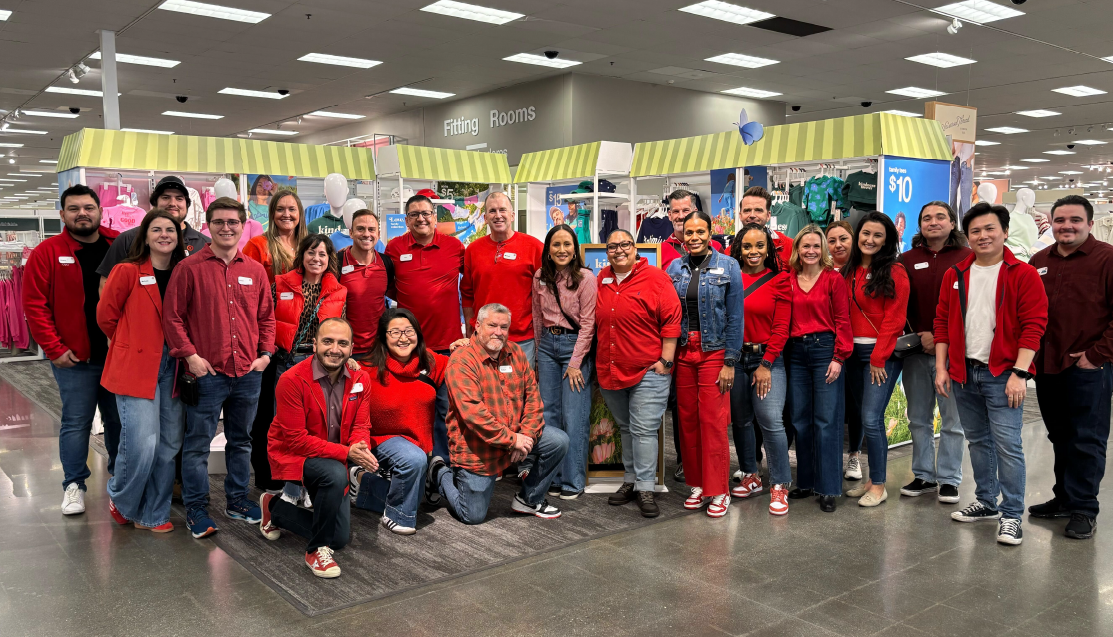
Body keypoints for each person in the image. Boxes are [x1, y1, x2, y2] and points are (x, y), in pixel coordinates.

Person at [934, 202, 1048, 546]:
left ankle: (1012, 513)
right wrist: (942, 367)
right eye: (976, 231)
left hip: (1003, 374)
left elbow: (1034, 327)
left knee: (1008, 445)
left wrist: (1019, 373)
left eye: (989, 229)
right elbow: (941, 323)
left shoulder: (1022, 274)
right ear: (967, 236)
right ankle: (986, 501)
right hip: (964, 373)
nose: (983, 236)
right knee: (979, 441)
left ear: (1004, 232)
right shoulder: (955, 274)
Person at [163, 197, 276, 539]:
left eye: (233, 222)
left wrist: (266, 355)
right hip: (206, 374)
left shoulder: (255, 270)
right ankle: (197, 508)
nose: (226, 228)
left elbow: (267, 318)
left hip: (248, 373)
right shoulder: (189, 268)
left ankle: (238, 500)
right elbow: (173, 317)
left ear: (243, 226)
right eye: (219, 222)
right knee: (197, 444)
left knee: (241, 441)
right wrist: (189, 356)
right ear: (207, 226)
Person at [23, 184, 122, 515]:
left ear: (100, 211)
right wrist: (53, 348)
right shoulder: (47, 252)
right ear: (63, 214)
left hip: (117, 358)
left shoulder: (118, 245)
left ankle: (120, 482)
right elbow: (35, 305)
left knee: (120, 421)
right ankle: (74, 485)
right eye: (75, 208)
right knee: (77, 421)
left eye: (89, 208)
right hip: (74, 358)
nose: (83, 213)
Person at [426, 303, 569, 524]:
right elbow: (474, 415)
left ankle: (528, 499)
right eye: (492, 325)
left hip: (515, 437)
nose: (498, 332)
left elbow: (533, 399)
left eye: (504, 327)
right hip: (477, 448)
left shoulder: (516, 353)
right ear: (478, 325)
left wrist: (527, 437)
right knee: (472, 515)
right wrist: (513, 441)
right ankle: (439, 472)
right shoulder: (462, 360)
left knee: (557, 441)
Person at [259, 318, 376, 578]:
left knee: (339, 538)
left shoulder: (360, 378)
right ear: (314, 344)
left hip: (334, 456)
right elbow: (295, 440)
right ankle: (315, 551)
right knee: (335, 474)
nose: (335, 349)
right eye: (328, 341)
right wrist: (347, 453)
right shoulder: (291, 379)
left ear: (351, 347)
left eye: (342, 343)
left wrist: (360, 447)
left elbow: (361, 425)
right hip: (296, 453)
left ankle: (275, 508)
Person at [1029, 195, 1113, 539]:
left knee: (1087, 438)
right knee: (1060, 435)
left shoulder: (1107, 259)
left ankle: (1083, 508)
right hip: (1048, 364)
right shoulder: (1038, 260)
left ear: (1090, 224)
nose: (1067, 226)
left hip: (1088, 367)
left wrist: (1096, 355)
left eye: (1075, 220)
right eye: (1060, 220)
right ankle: (1063, 497)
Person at [97, 209, 187, 531]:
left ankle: (154, 513)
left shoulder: (183, 272)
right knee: (142, 442)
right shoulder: (127, 271)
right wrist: (123, 339)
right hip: (136, 364)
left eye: (171, 230)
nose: (165, 234)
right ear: (145, 237)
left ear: (179, 237)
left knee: (168, 445)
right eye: (157, 229)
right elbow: (105, 316)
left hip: (173, 366)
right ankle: (122, 498)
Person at [596, 231, 681, 517]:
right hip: (611, 370)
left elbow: (671, 322)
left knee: (644, 430)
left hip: (648, 371)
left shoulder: (656, 279)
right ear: (606, 251)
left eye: (624, 245)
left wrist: (666, 363)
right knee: (626, 428)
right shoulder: (601, 279)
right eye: (612, 246)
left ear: (635, 248)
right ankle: (631, 481)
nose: (618, 250)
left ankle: (646, 487)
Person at [666, 211, 743, 518]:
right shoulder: (674, 267)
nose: (694, 237)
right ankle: (698, 484)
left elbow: (736, 317)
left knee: (713, 421)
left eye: (700, 231)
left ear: (711, 233)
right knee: (687, 421)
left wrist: (730, 361)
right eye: (689, 232)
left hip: (715, 351)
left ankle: (719, 489)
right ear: (682, 235)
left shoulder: (729, 266)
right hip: (685, 351)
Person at [349, 309, 448, 534]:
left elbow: (463, 364)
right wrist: (348, 363)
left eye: (409, 331)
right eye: (394, 332)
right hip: (379, 440)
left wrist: (463, 346)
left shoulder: (431, 362)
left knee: (416, 493)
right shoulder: (365, 368)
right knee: (412, 467)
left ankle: (362, 483)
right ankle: (398, 514)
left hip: (418, 448)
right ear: (383, 337)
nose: (403, 338)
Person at [385, 194, 464, 465]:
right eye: (414, 214)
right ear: (406, 220)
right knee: (411, 411)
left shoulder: (454, 247)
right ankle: (413, 464)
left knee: (445, 410)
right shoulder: (394, 249)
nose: (421, 218)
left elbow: (472, 285)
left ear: (435, 216)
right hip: (409, 347)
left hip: (447, 345)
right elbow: (389, 287)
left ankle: (440, 467)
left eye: (426, 213)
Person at [900, 201, 970, 504]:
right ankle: (924, 475)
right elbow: (898, 305)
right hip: (916, 351)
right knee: (918, 417)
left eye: (940, 216)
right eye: (926, 218)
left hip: (955, 353)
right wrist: (919, 336)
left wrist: (942, 338)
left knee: (953, 421)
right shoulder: (906, 259)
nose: (933, 222)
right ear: (920, 226)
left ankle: (950, 479)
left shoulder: (969, 258)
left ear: (952, 223)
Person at [270, 234, 348, 500]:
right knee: (289, 429)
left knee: (317, 428)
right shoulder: (280, 284)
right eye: (311, 253)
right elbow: (267, 321)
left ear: (329, 259)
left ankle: (311, 486)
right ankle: (290, 489)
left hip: (322, 366)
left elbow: (341, 329)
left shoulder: (339, 291)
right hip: (287, 363)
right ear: (302, 255)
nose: (316, 259)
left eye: (322, 254)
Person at [841, 212, 909, 507]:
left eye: (877, 235)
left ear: (887, 240)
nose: (870, 240)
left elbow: (895, 319)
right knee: (860, 415)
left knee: (871, 418)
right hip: (850, 354)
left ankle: (879, 485)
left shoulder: (895, 271)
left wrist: (879, 358)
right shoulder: (848, 270)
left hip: (880, 356)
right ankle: (870, 480)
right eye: (865, 233)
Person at [727, 223, 793, 515]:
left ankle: (779, 484)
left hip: (768, 359)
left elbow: (781, 328)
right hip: (735, 360)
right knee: (740, 421)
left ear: (769, 249)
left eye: (759, 246)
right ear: (738, 249)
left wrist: (766, 364)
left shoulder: (780, 280)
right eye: (747, 246)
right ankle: (750, 474)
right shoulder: (730, 278)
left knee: (770, 420)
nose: (753, 252)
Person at [786, 225, 852, 512]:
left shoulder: (833, 279)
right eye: (805, 246)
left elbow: (843, 321)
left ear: (823, 250)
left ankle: (828, 487)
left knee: (826, 420)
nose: (811, 251)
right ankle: (806, 481)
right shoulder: (788, 279)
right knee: (800, 419)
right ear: (797, 250)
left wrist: (839, 357)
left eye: (816, 246)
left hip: (826, 349)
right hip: (796, 352)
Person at [659, 189, 723, 480]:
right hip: (676, 344)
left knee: (710, 413)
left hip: (710, 344)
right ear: (669, 215)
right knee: (681, 409)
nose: (681, 216)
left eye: (686, 211)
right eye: (675, 212)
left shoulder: (721, 255)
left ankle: (713, 474)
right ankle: (686, 461)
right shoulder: (662, 254)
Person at [532, 224, 597, 499]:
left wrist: (575, 363)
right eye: (556, 245)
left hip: (575, 348)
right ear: (548, 250)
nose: (562, 250)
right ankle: (554, 477)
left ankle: (573, 481)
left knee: (575, 417)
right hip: (547, 346)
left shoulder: (585, 278)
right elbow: (537, 317)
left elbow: (588, 323)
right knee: (549, 416)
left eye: (567, 244)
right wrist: (537, 356)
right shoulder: (539, 277)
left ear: (575, 249)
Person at [461, 192, 543, 363]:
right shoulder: (473, 250)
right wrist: (471, 329)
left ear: (512, 215)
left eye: (502, 210)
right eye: (492, 211)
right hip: (484, 339)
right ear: (485, 217)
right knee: (485, 389)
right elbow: (467, 294)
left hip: (522, 339)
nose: (498, 215)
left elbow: (546, 294)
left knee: (520, 389)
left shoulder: (534, 247)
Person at [96, 175, 211, 284]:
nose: (172, 203)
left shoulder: (204, 244)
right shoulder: (127, 239)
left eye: (179, 198)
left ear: (187, 204)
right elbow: (107, 283)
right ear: (155, 202)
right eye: (165, 198)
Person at [825, 220, 859, 478]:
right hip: (828, 347)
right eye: (832, 240)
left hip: (858, 346)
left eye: (843, 239)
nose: (838, 245)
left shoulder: (861, 269)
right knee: (833, 405)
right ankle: (831, 456)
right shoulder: (822, 270)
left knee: (856, 403)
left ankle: (854, 456)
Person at [340, 209, 395, 360]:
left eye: (371, 229)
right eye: (360, 229)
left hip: (379, 348)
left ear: (378, 233)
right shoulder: (337, 262)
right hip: (345, 350)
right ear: (351, 233)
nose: (366, 234)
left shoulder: (386, 263)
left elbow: (389, 294)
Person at [243, 189, 307, 285]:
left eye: (292, 209)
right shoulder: (257, 245)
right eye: (280, 209)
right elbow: (246, 286)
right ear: (272, 214)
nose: (286, 214)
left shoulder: (309, 245)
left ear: (300, 213)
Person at [738, 186, 793, 266]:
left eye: (758, 210)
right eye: (747, 210)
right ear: (740, 215)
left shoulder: (789, 247)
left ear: (768, 215)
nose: (752, 215)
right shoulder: (730, 252)